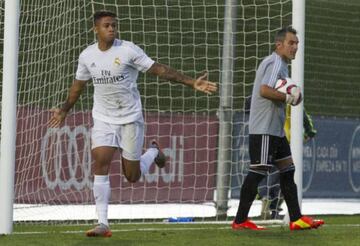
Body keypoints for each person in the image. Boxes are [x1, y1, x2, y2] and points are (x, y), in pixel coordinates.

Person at [48, 10, 217, 237]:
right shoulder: (87, 56)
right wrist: (65, 110)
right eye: (107, 25)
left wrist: (190, 82)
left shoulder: (127, 50)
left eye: (114, 25)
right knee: (100, 161)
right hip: (103, 117)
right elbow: (78, 86)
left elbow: (159, 69)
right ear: (95, 29)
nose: (111, 29)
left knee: (132, 176)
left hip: (130, 118)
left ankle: (154, 151)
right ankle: (103, 223)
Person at [232, 26, 324, 231]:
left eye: (297, 43)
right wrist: (288, 97)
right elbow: (264, 90)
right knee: (258, 172)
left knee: (288, 170)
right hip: (264, 128)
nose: (295, 47)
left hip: (275, 130)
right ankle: (239, 221)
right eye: (291, 43)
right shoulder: (274, 62)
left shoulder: (281, 65)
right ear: (279, 44)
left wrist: (287, 97)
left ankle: (296, 219)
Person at [258, 105, 317, 220]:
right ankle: (271, 207)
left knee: (272, 177)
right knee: (286, 178)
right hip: (287, 144)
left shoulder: (273, 99)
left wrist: (309, 133)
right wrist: (309, 133)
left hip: (272, 140)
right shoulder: (293, 102)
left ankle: (268, 207)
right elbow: (307, 122)